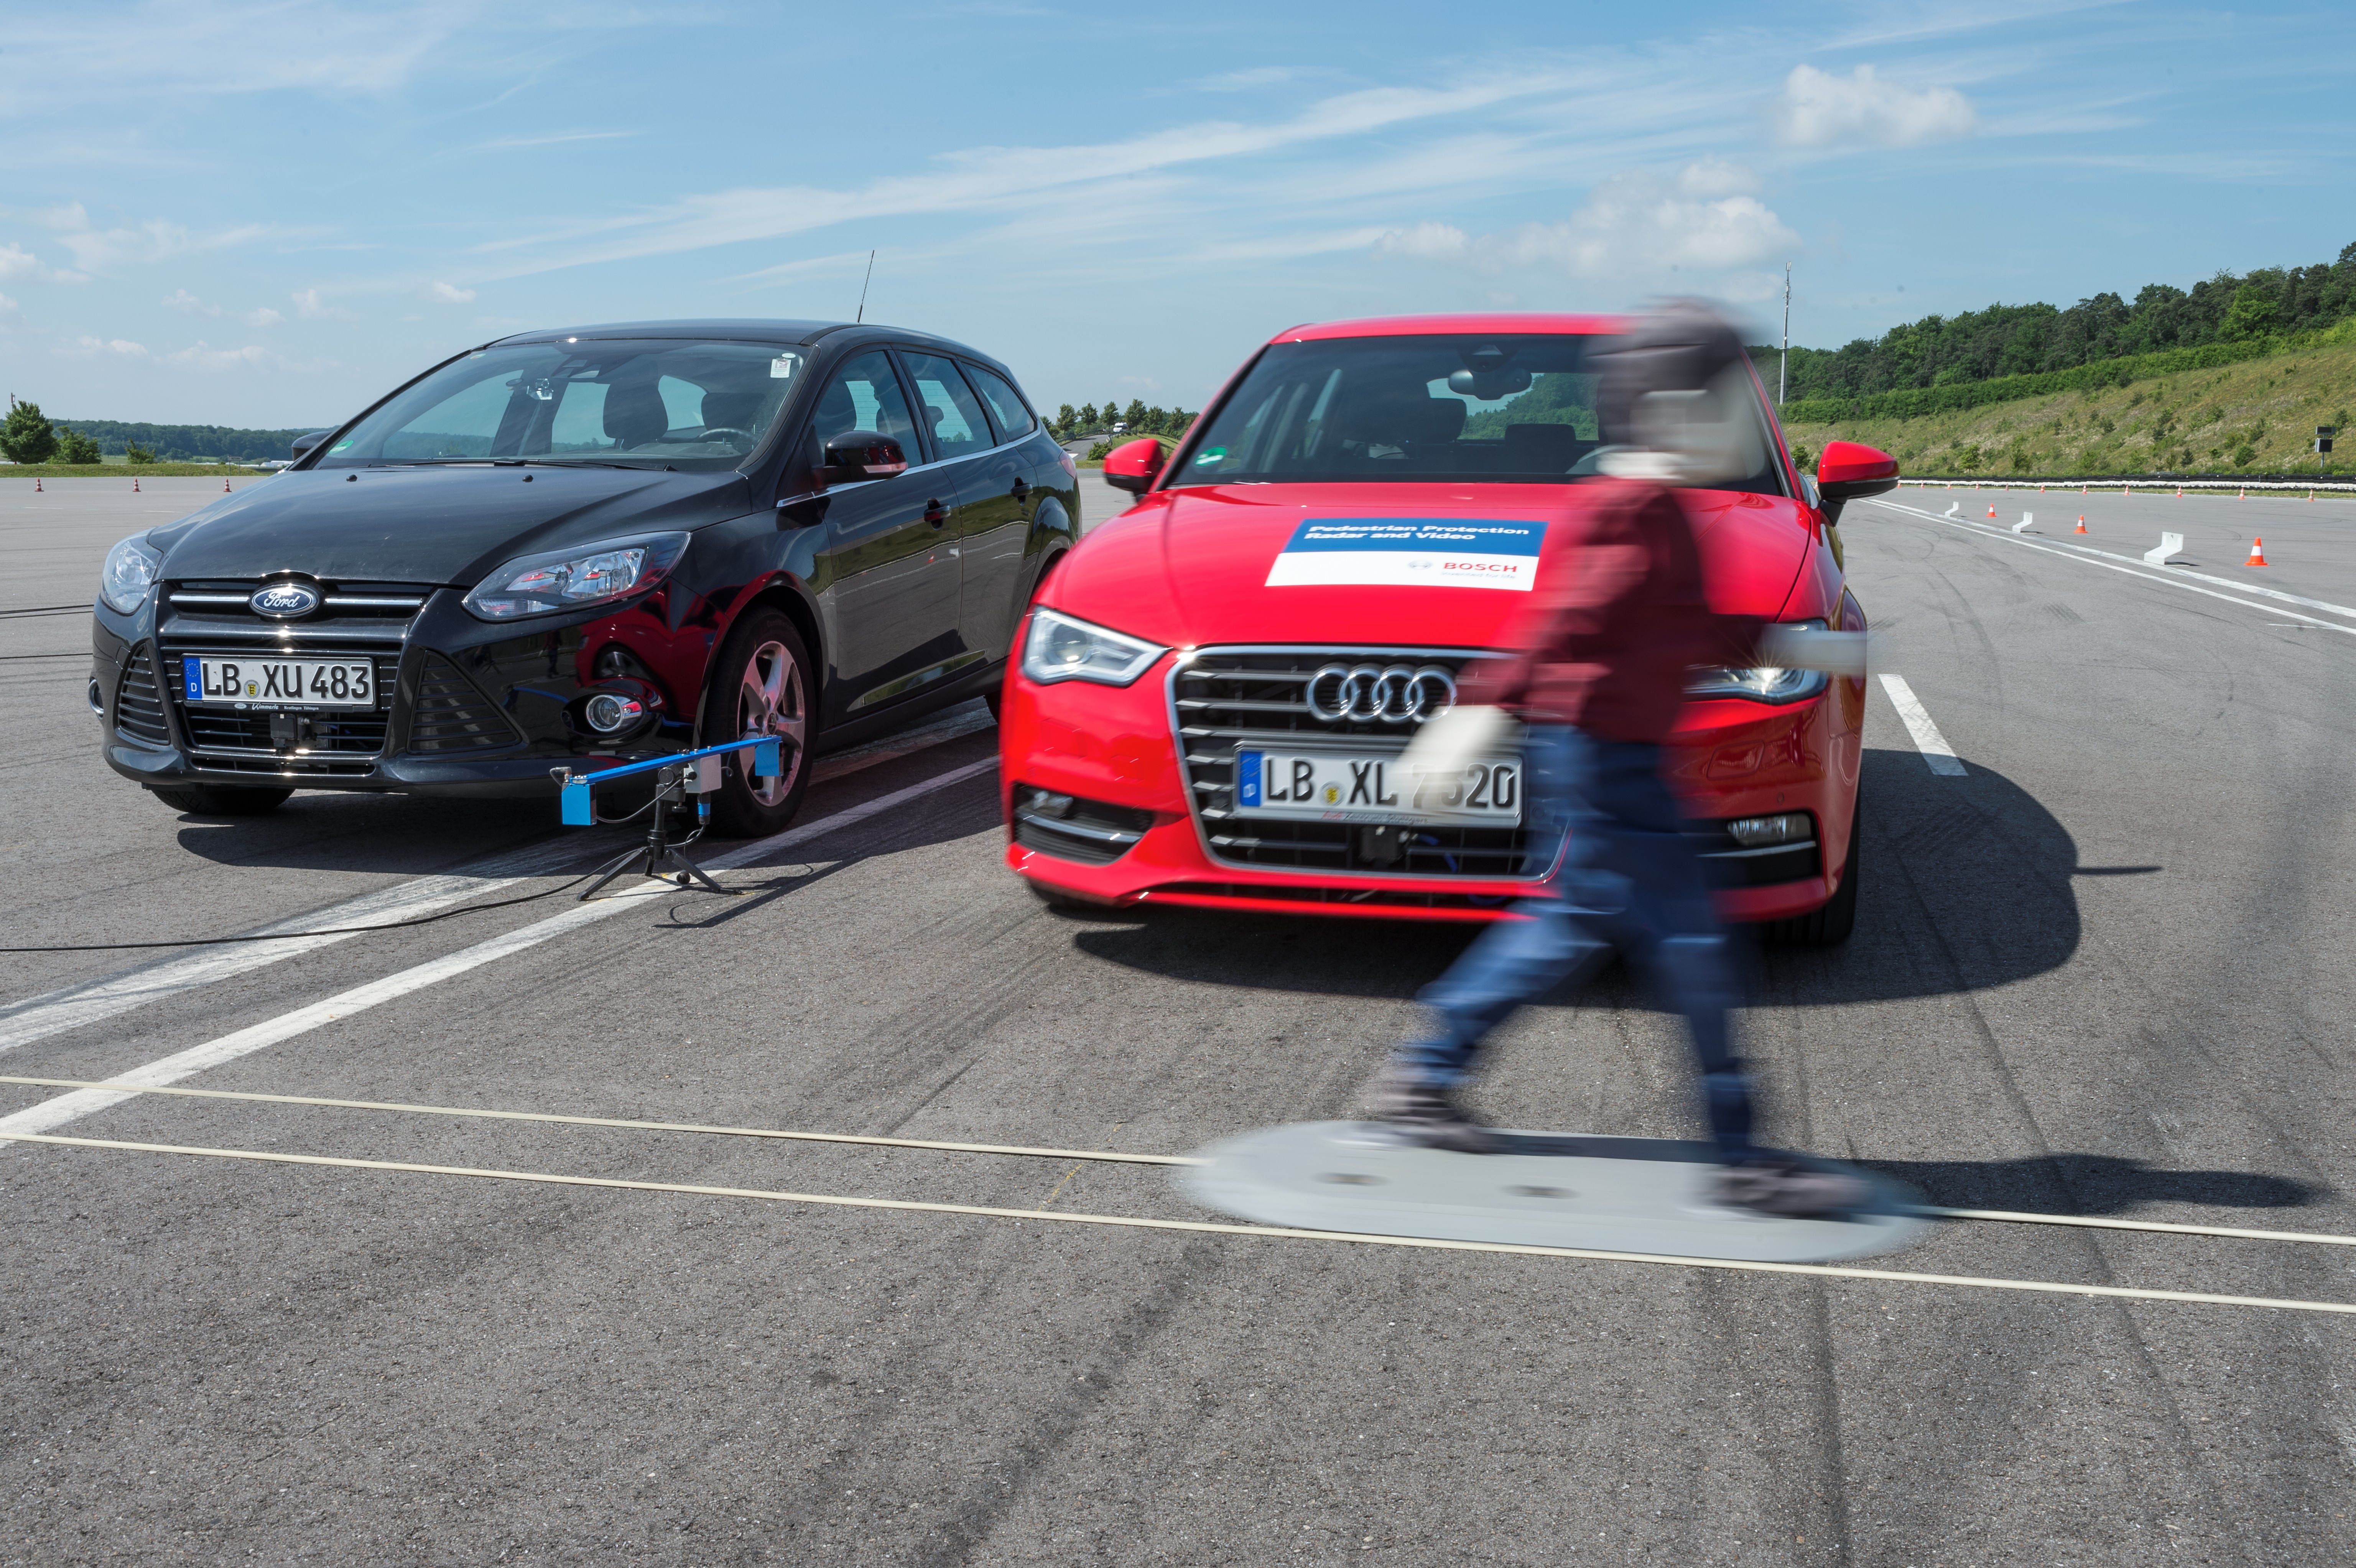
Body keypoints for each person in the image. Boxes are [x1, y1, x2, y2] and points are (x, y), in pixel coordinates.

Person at [1367, 303, 1868, 1218]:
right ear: (1675, 408)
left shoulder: (1660, 509)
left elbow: (1682, 626)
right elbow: (1561, 622)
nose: (1737, 419)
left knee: (1566, 927)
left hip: (1617, 757)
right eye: (1723, 396)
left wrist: (1796, 644)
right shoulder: (1631, 508)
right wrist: (1472, 713)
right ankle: (1740, 1154)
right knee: (1691, 942)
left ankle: (1424, 1074)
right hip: (1605, 759)